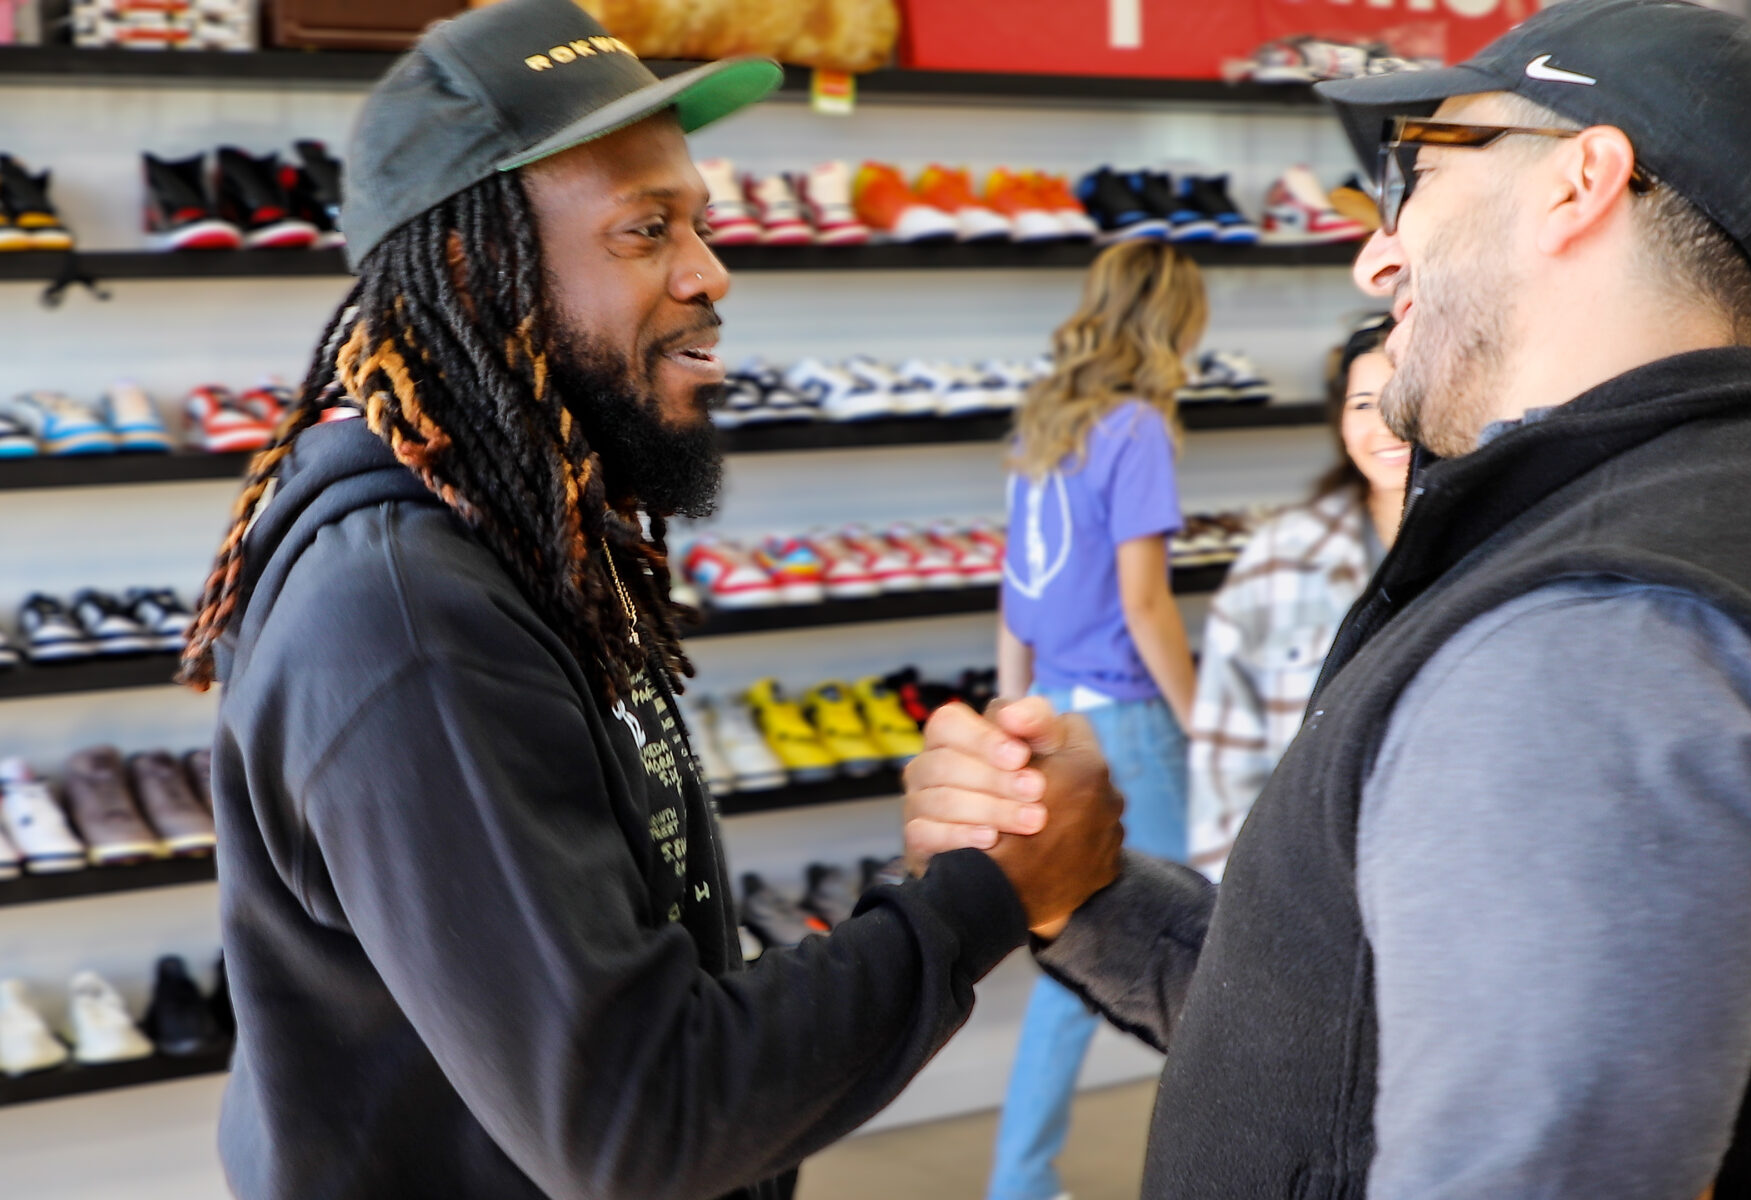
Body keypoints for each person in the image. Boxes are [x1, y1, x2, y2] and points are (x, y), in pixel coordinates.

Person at [901, 0, 1751, 1195]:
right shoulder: (1647, 541)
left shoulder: (1588, 654)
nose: (1374, 257)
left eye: (1417, 175)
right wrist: (1085, 891)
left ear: (1578, 183)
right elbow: (1343, 1044)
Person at [176, 3, 1120, 1197]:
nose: (708, 271)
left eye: (700, 223)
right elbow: (641, 1120)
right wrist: (979, 900)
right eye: (644, 230)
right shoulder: (407, 623)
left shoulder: (528, 536)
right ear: (473, 269)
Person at [988, 238, 1204, 1200]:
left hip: (1059, 710)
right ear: (1171, 320)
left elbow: (1014, 589)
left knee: (1076, 957)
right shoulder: (1139, 428)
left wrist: (1014, 709)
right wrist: (1205, 722)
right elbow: (1145, 603)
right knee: (1209, 951)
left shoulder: (1048, 421)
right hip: (1130, 724)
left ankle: (1020, 1179)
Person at [1185, 316, 1405, 880]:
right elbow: (1226, 756)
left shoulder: (1503, 547)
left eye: (1405, 395)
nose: (1386, 423)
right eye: (1363, 404)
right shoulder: (1280, 559)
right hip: (1304, 884)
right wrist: (1231, 900)